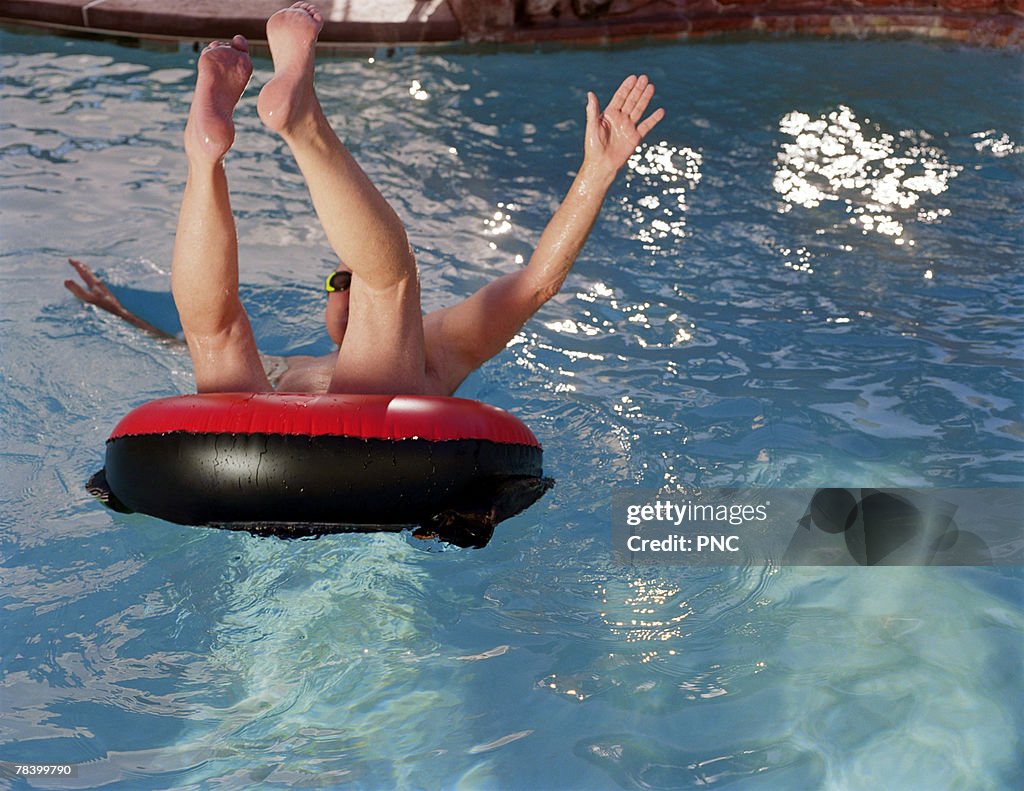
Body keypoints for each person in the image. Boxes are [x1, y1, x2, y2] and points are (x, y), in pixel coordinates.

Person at [65, 2, 665, 397]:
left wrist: (598, 170)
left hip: (254, 446)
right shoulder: (386, 356)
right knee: (383, 280)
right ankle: (284, 128)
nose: (346, 296)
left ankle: (204, 155)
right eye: (339, 282)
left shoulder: (424, 350)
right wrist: (121, 314)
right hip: (338, 441)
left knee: (216, 337)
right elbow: (536, 282)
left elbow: (537, 283)